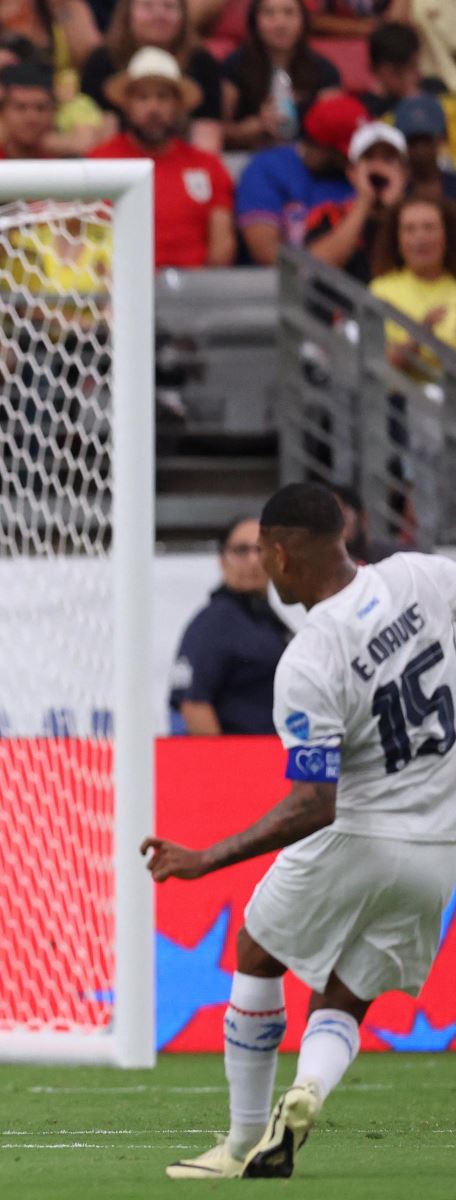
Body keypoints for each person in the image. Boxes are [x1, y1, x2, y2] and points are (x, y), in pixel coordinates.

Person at [145, 482, 456, 1180]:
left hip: (361, 832)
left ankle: (242, 1141)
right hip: (440, 848)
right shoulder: (419, 574)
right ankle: (309, 1087)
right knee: (347, 993)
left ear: (282, 555)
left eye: (262, 550)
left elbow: (315, 803)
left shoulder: (311, 657)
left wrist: (206, 859)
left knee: (258, 950)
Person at [88, 48, 235, 269]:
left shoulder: (208, 166)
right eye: (142, 97)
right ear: (126, 104)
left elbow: (222, 247)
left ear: (178, 106)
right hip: (116, 291)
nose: (153, 108)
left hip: (193, 294)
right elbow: (84, 241)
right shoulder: (99, 163)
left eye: (163, 97)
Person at [170, 517, 293, 736]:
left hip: (275, 760)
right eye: (241, 550)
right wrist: (222, 766)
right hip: (241, 763)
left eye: (261, 550)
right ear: (222, 560)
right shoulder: (214, 623)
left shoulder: (270, 621)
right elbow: (194, 705)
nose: (253, 560)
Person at [235, 90, 363, 266]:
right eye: (342, 154)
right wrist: (330, 253)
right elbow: (267, 254)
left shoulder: (364, 175)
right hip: (285, 289)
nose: (351, 161)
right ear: (317, 145)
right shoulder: (268, 168)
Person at [79, 0, 222, 151]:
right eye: (148, 6)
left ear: (184, 16)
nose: (159, 15)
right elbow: (101, 143)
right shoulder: (102, 62)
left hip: (179, 162)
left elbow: (207, 142)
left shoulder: (201, 62)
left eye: (169, 6)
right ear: (127, 14)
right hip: (121, 164)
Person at [221, 0, 341, 153]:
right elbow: (218, 129)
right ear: (254, 21)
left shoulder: (324, 70)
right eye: (269, 13)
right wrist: (256, 126)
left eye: (289, 13)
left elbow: (334, 131)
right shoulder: (234, 65)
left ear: (303, 21)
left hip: (307, 159)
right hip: (246, 156)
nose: (280, 23)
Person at [369, 195, 456, 375]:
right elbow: (375, 362)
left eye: (429, 227)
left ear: (446, 236)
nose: (420, 237)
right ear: (398, 240)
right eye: (409, 229)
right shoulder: (381, 290)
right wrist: (420, 335)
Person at [322, 122, 411, 284]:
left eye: (388, 159)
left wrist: (394, 209)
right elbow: (318, 267)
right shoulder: (329, 214)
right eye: (369, 158)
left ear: (405, 173)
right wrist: (364, 201)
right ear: (352, 172)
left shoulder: (421, 215)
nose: (378, 167)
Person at [0, 61, 59, 157]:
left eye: (40, 108)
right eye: (20, 107)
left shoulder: (66, 158)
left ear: (54, 112)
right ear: (2, 112)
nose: (31, 117)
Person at [394, 95, 456, 202]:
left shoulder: (453, 186)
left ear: (442, 138)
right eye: (413, 141)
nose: (420, 150)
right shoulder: (394, 190)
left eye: (427, 140)